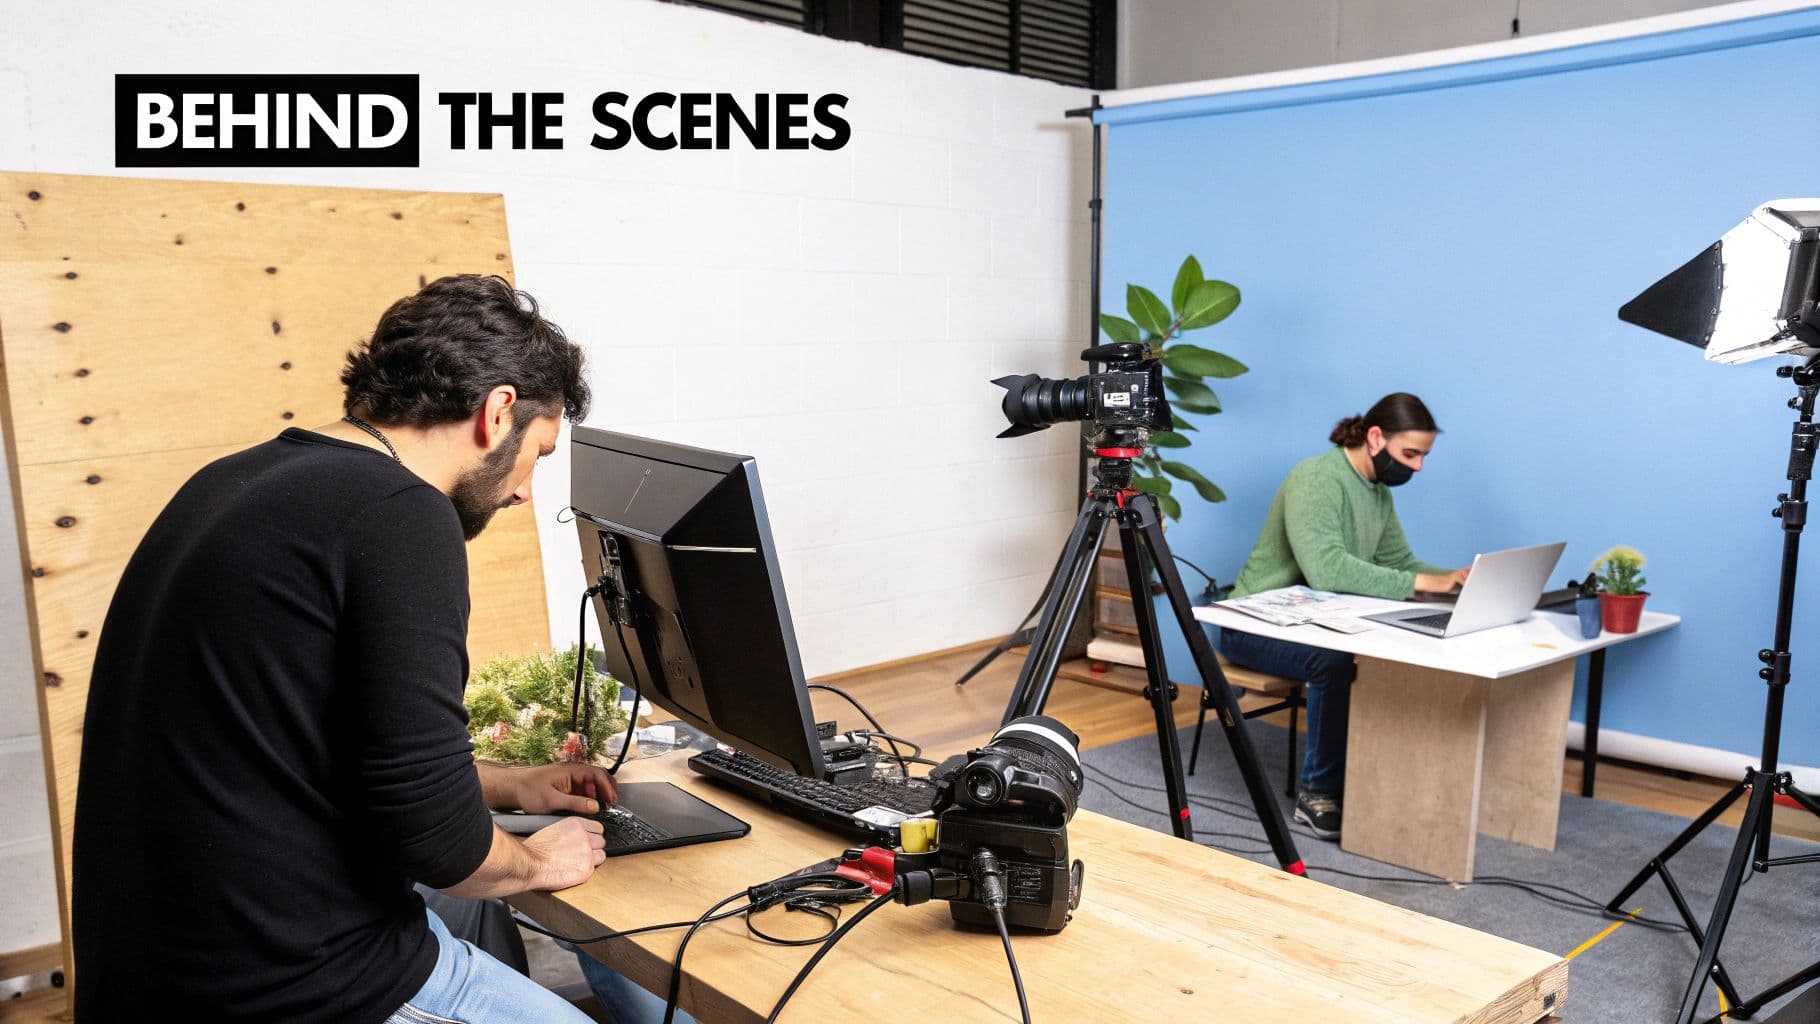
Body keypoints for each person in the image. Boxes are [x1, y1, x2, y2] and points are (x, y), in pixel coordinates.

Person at [72, 274, 617, 1023]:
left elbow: (321, 745)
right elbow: (443, 847)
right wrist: (534, 859)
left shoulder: (238, 479)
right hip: (281, 987)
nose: (526, 491)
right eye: (541, 451)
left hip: (150, 968)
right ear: (497, 413)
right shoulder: (400, 516)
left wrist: (511, 785)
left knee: (474, 918)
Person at [1219, 392, 1467, 842]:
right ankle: (1319, 795)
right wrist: (1420, 585)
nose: (1417, 467)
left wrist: (1449, 578)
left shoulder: (1376, 491)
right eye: (1410, 453)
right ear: (1376, 437)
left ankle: (1380, 780)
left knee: (1392, 648)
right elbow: (1326, 569)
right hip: (1252, 624)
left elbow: (1400, 563)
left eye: (1423, 456)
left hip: (1313, 621)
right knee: (1333, 661)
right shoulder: (1316, 478)